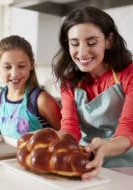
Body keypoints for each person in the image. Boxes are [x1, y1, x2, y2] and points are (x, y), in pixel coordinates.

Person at [52, 6, 133, 180]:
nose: (82, 52)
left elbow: (128, 130)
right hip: (86, 160)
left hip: (127, 164)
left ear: (109, 41)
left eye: (91, 42)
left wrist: (105, 147)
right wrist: (55, 139)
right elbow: (70, 129)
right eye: (74, 43)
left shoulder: (129, 75)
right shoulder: (69, 82)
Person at [0, 35, 61, 139]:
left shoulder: (41, 100)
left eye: (21, 66)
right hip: (9, 155)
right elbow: (11, 132)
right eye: (7, 67)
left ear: (31, 64)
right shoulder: (1, 96)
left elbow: (65, 135)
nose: (14, 73)